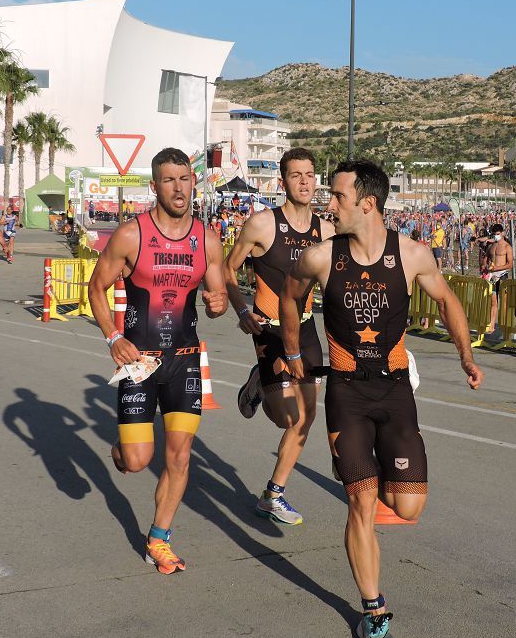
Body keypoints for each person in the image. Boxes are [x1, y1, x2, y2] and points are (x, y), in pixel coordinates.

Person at [280, 160, 483, 638]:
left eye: (338, 197)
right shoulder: (321, 258)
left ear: (366, 204)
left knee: (407, 505)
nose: (329, 204)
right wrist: (291, 353)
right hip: (346, 393)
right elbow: (290, 296)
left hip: (395, 393)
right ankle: (374, 611)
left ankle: (388, 474)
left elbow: (447, 300)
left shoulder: (412, 255)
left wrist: (466, 355)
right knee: (361, 501)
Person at [87, 147, 228, 574]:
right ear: (155, 186)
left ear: (193, 182)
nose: (179, 187)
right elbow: (95, 288)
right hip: (139, 362)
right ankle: (121, 450)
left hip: (184, 361)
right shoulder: (132, 235)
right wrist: (113, 336)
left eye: (184, 179)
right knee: (137, 461)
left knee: (180, 456)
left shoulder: (207, 238)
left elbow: (217, 296)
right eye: (169, 180)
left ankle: (159, 538)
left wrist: (218, 303)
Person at [225, 148, 335, 526]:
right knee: (287, 417)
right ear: (282, 181)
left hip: (305, 329)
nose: (304, 181)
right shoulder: (262, 225)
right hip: (269, 330)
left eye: (309, 174)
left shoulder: (327, 230)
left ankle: (273, 494)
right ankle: (259, 383)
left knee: (305, 420)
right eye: (296, 175)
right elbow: (227, 269)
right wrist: (241, 310)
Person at [482, 224, 513, 333]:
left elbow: (510, 265)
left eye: (498, 234)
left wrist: (497, 268)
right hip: (492, 276)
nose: (496, 236)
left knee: (503, 301)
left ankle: (503, 325)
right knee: (493, 301)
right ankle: (491, 325)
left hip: (502, 275)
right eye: (494, 234)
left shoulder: (507, 247)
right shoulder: (492, 246)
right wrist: (484, 266)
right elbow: (486, 257)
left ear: (503, 233)